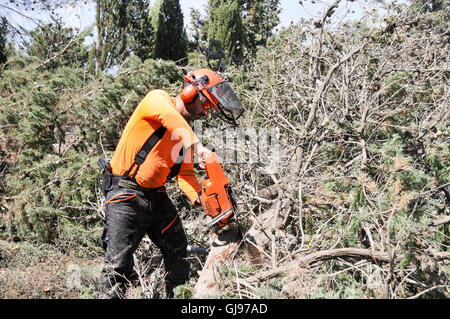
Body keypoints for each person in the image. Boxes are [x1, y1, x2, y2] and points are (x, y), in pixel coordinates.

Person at [98, 68, 244, 299]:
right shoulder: (156, 100)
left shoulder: (186, 135)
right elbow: (170, 117)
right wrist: (201, 149)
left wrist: (205, 199)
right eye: (206, 105)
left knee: (178, 251)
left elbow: (185, 175)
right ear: (189, 93)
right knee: (118, 265)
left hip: (156, 196)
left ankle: (176, 297)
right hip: (125, 193)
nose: (206, 113)